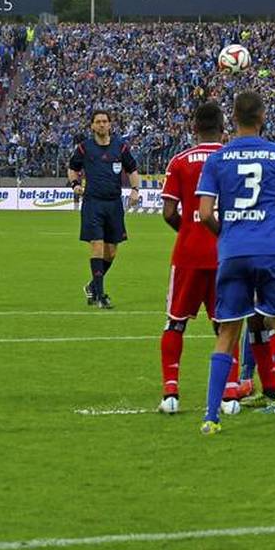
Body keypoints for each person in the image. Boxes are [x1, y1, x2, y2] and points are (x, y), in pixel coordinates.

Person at [195, 90, 275, 435]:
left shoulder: (217, 158)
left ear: (233, 118)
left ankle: (211, 417)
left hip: (233, 250)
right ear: (262, 117)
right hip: (272, 250)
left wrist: (226, 235)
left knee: (228, 332)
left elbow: (203, 214)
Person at [157, 101, 233, 415]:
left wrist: (187, 230)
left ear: (193, 128)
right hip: (225, 253)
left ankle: (171, 393)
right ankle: (229, 395)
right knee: (226, 324)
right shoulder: (231, 159)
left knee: (175, 322)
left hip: (188, 253)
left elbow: (168, 212)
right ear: (223, 129)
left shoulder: (180, 161)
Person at [68, 110, 140, 309]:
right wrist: (74, 184)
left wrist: (135, 190)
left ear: (110, 125)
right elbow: (72, 167)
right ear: (92, 126)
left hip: (114, 203)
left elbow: (132, 169)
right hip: (93, 203)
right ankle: (100, 295)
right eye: (98, 122)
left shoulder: (120, 147)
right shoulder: (84, 148)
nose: (101, 125)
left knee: (112, 251)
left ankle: (92, 286)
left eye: (104, 121)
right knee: (97, 246)